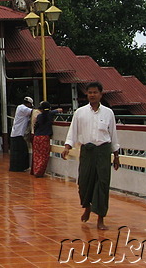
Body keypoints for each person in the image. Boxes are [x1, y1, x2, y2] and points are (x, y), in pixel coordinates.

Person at [62, 81, 120, 230]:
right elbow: (73, 132)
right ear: (86, 94)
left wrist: (116, 155)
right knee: (84, 182)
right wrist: (67, 147)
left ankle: (101, 218)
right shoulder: (80, 112)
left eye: (95, 92)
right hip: (87, 151)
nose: (92, 95)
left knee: (102, 183)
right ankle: (87, 206)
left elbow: (113, 134)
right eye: (90, 92)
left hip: (103, 151)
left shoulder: (108, 113)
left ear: (101, 94)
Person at [31, 101, 62, 177]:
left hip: (36, 137)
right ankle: (39, 172)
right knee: (43, 156)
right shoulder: (50, 114)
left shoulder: (39, 116)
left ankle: (35, 170)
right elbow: (59, 110)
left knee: (37, 155)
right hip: (44, 138)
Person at [9, 97, 33, 171]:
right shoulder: (23, 108)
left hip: (17, 134)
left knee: (18, 152)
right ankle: (18, 168)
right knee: (21, 151)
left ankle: (18, 167)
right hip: (18, 134)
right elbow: (34, 112)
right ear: (28, 104)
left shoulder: (20, 108)